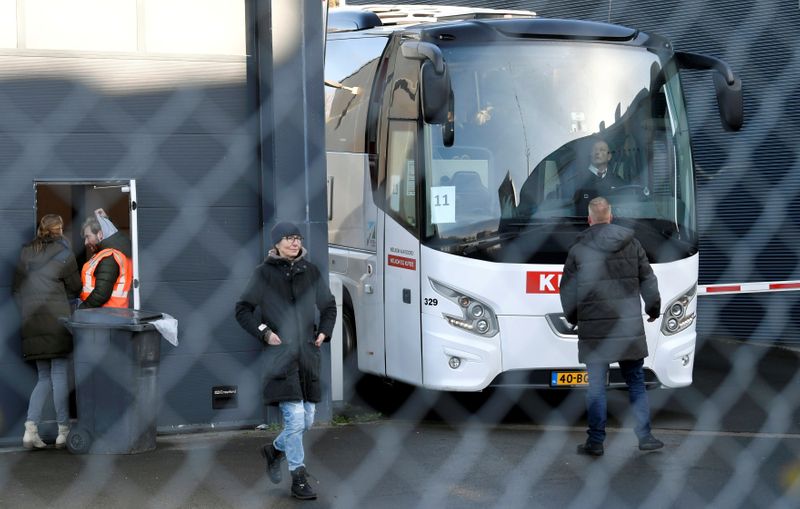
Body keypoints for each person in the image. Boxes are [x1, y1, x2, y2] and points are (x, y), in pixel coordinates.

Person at [235, 221, 337, 500]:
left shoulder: (310, 270)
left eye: (298, 238)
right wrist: (264, 332)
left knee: (308, 419)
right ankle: (299, 478)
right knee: (294, 419)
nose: (295, 242)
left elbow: (328, 305)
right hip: (279, 356)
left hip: (307, 354)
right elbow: (242, 309)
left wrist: (324, 332)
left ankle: (274, 450)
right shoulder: (263, 274)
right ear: (277, 243)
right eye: (289, 238)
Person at [559, 197, 663, 456]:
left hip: (595, 329)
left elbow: (567, 292)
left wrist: (574, 318)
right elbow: (648, 280)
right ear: (611, 216)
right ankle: (645, 436)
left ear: (589, 219)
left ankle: (595, 441)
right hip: (627, 326)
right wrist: (653, 309)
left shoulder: (579, 249)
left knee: (596, 386)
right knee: (635, 381)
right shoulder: (633, 244)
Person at [13, 214, 81, 449]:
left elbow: (16, 289)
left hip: (31, 322)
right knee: (59, 375)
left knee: (43, 377)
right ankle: (63, 430)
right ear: (59, 229)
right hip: (57, 320)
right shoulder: (65, 253)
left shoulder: (26, 253)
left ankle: (30, 428)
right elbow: (76, 287)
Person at [79, 209, 133, 308]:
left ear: (100, 235)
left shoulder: (109, 256)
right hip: (108, 314)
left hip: (106, 314)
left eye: (88, 237)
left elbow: (101, 294)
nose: (86, 242)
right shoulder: (107, 253)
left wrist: (81, 309)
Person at [573, 139, 625, 214]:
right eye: (594, 150)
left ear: (609, 156)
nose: (597, 152)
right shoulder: (578, 180)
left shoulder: (618, 181)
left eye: (602, 150)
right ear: (590, 154)